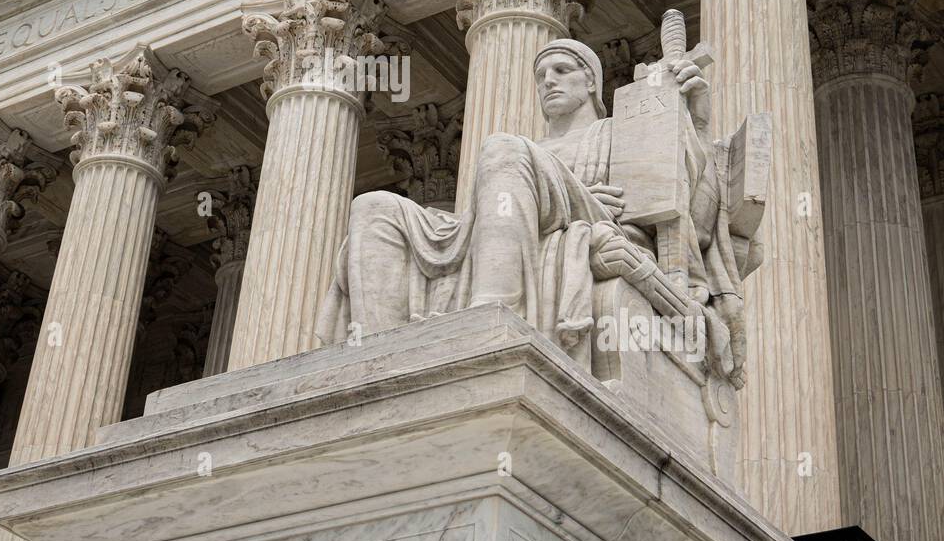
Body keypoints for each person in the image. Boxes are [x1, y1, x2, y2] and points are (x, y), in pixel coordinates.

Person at [318, 38, 754, 379]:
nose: (549, 80)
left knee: (503, 147)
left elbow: (689, 219)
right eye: (542, 74)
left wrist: (693, 123)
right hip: (517, 230)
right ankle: (378, 355)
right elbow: (485, 224)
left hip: (600, 223)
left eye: (562, 70)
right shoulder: (527, 152)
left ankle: (490, 318)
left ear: (591, 84)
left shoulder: (616, 132)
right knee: (373, 206)